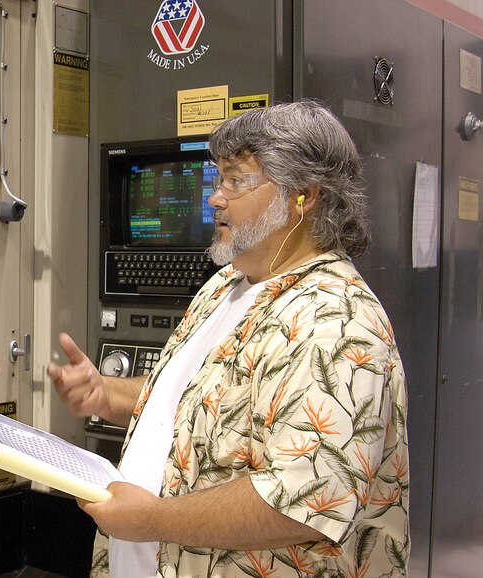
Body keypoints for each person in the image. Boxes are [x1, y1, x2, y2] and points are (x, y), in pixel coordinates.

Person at [48, 100, 410, 578]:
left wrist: (150, 520)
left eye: (236, 181)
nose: (215, 198)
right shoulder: (229, 284)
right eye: (218, 180)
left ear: (304, 195)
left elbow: (303, 499)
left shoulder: (338, 321)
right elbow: (205, 401)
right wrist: (107, 394)